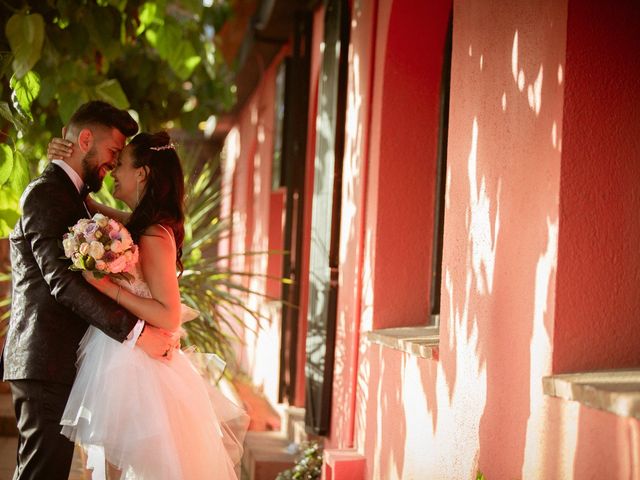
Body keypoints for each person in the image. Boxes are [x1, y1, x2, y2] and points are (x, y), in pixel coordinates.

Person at [47, 131, 247, 479]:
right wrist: (62, 161)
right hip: (122, 357)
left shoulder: (154, 234)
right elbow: (106, 213)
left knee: (121, 470)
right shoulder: (144, 226)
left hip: (135, 368)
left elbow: (169, 313)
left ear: (142, 173)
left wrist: (108, 288)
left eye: (121, 164)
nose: (113, 173)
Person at [1, 100, 178, 480]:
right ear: (85, 139)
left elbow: (140, 231)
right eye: (113, 152)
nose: (113, 164)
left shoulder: (73, 196)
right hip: (44, 360)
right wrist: (136, 333)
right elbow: (61, 281)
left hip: (62, 363)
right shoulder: (48, 193)